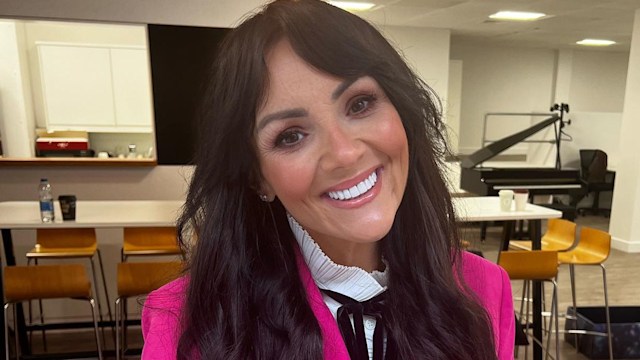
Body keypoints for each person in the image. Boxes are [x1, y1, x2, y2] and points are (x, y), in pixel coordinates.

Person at [142, 0, 514, 359]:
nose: (345, 154)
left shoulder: (483, 289)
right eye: (290, 135)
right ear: (258, 178)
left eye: (360, 104)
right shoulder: (184, 325)